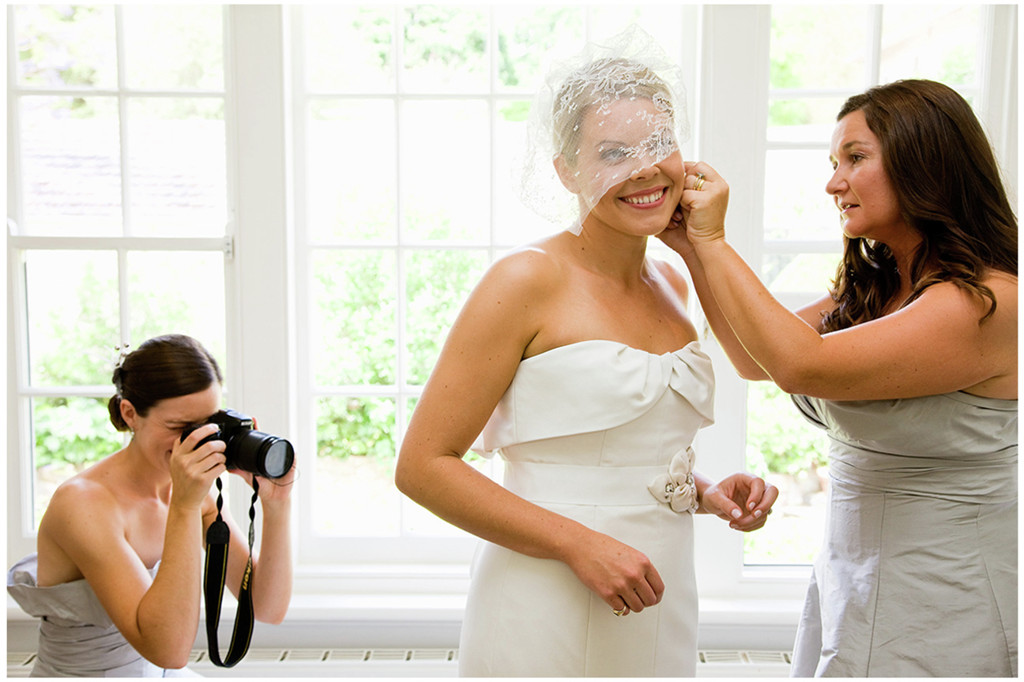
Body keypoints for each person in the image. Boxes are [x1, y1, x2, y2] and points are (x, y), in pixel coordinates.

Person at [395, 27, 778, 677]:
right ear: (566, 170)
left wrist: (705, 491)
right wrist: (578, 545)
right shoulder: (526, 280)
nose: (644, 168)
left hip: (660, 590)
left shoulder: (674, 279)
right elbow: (422, 467)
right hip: (546, 592)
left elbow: (616, 449)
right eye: (613, 153)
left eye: (658, 144)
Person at [660, 79, 1017, 676]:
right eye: (833, 164)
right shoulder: (880, 286)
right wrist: (693, 250)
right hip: (850, 580)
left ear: (924, 161)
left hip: (951, 595)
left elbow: (802, 365)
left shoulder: (986, 302)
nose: (834, 184)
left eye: (855, 158)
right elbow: (754, 359)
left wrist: (714, 240)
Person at [7, 334, 295, 676]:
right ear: (130, 414)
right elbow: (169, 651)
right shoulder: (84, 504)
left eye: (208, 425)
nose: (196, 441)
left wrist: (277, 504)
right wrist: (184, 509)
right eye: (178, 427)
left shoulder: (194, 492)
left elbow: (267, 607)